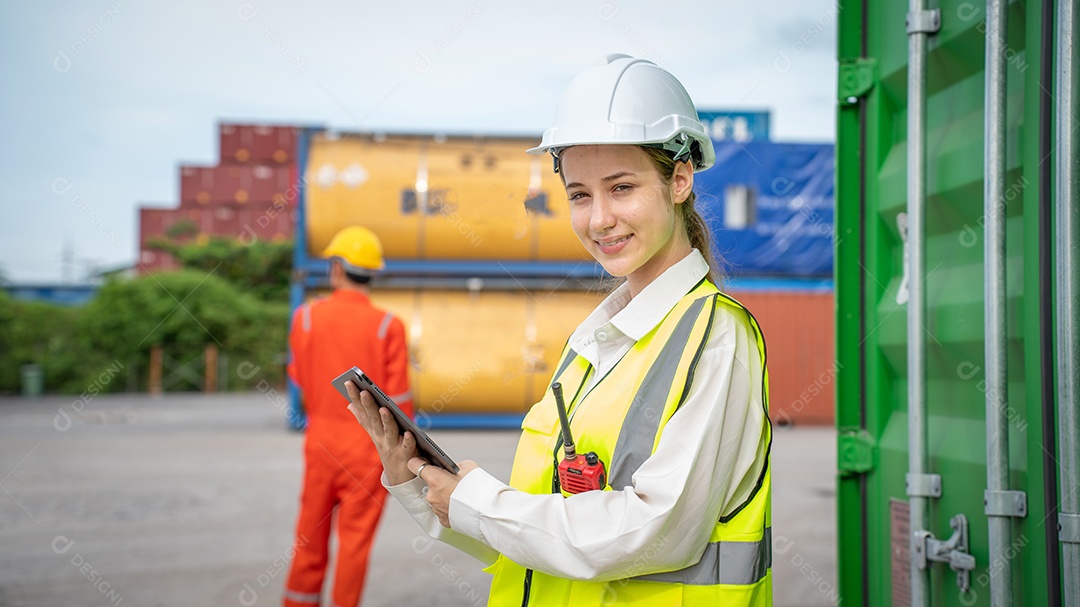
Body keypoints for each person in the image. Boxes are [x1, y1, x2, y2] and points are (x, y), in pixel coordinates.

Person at [346, 54, 771, 606]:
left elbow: (654, 534)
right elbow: (541, 540)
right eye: (579, 195)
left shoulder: (717, 337)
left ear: (680, 180)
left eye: (621, 188)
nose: (598, 220)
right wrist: (422, 483)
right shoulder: (595, 343)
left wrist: (479, 502)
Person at [283, 226, 412, 607]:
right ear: (373, 273)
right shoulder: (390, 326)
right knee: (354, 545)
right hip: (367, 452)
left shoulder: (305, 319)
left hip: (320, 446)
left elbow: (299, 377)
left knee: (309, 538)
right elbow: (399, 404)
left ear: (336, 268)